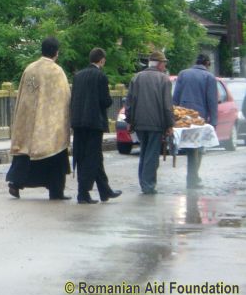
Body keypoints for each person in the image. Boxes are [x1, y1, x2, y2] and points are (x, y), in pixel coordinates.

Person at [6, 37, 71, 200]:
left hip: (28, 120)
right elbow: (65, 97)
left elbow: (22, 97)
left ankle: (15, 182)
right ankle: (56, 191)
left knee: (25, 151)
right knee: (54, 152)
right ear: (56, 52)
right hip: (49, 124)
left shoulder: (30, 69)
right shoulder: (57, 71)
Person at [71, 48, 122, 204]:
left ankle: (104, 191)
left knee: (84, 156)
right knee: (92, 157)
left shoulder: (78, 76)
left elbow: (73, 98)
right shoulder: (100, 76)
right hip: (94, 123)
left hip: (78, 123)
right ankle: (83, 193)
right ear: (102, 60)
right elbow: (105, 101)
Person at [125, 51, 174, 194]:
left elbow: (129, 102)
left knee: (144, 152)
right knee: (152, 154)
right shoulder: (163, 79)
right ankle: (148, 185)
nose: (165, 66)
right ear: (159, 64)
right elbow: (167, 105)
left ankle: (144, 182)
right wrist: (169, 124)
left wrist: (129, 120)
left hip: (139, 123)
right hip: (156, 123)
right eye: (164, 63)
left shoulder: (137, 78)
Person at [173, 53, 218, 189]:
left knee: (190, 148)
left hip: (183, 117)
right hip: (199, 119)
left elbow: (175, 97)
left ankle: (193, 177)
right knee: (197, 148)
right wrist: (214, 121)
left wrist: (173, 115)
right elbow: (212, 101)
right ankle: (192, 178)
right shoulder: (209, 77)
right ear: (207, 64)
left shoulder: (183, 74)